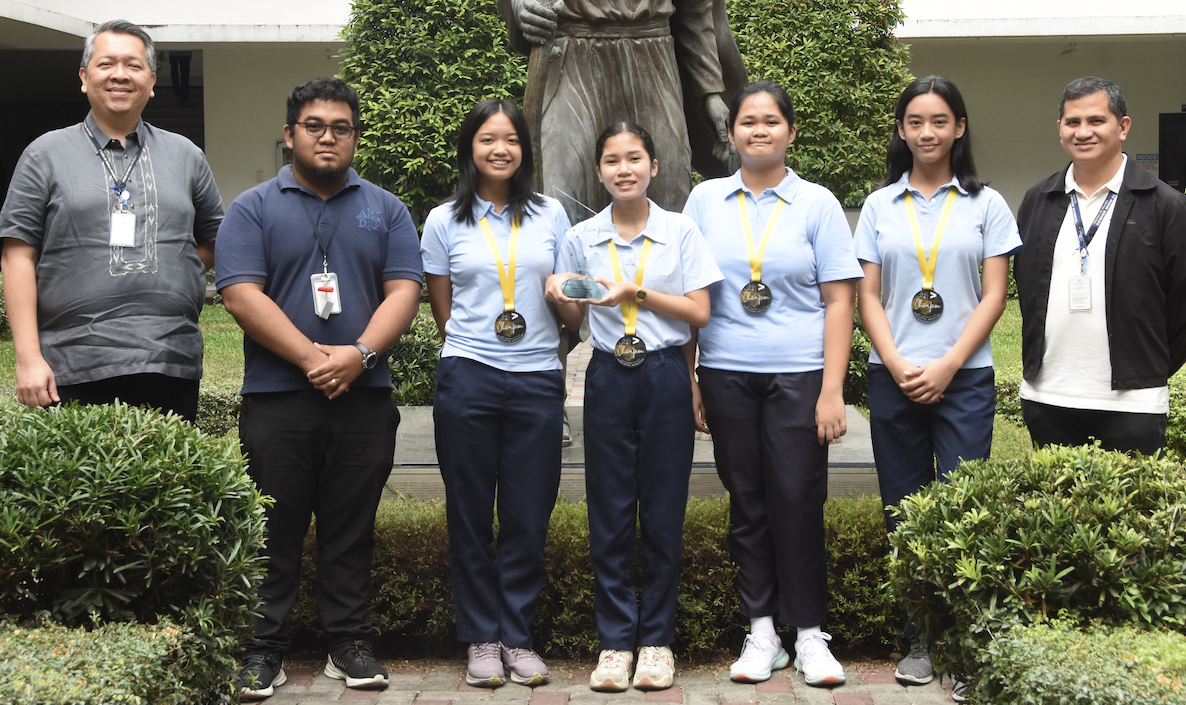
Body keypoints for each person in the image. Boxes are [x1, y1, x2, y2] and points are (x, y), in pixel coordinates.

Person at [215, 77, 422, 700]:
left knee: (350, 526)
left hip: (363, 396)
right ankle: (262, 649)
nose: (327, 136)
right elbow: (240, 293)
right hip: (278, 399)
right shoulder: (252, 207)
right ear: (290, 135)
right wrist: (313, 358)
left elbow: (405, 291)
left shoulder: (385, 208)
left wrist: (358, 356)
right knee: (272, 527)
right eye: (314, 126)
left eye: (340, 127)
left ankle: (349, 643)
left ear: (355, 137)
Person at [682, 81, 861, 688]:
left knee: (798, 501)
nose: (759, 131)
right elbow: (689, 299)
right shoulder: (704, 201)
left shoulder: (817, 204)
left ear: (790, 131)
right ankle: (761, 632)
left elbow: (840, 300)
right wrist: (693, 379)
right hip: (727, 370)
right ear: (730, 134)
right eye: (747, 122)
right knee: (748, 505)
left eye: (770, 121)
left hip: (798, 374)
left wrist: (831, 389)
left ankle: (810, 635)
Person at [854, 76, 1020, 695]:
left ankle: (964, 642)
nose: (928, 132)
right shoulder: (878, 206)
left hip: (966, 378)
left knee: (962, 509)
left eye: (940, 120)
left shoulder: (987, 204)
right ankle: (918, 640)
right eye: (916, 121)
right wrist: (896, 363)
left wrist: (949, 363)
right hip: (893, 375)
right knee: (905, 513)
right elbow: (868, 294)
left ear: (960, 128)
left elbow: (996, 294)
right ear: (901, 130)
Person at [545, 121, 722, 692]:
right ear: (599, 172)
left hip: (665, 372)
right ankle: (616, 642)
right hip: (607, 375)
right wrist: (560, 294)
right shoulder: (581, 237)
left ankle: (657, 644)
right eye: (613, 161)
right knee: (611, 510)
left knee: (664, 510)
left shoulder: (681, 230)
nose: (624, 169)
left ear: (654, 167)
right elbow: (575, 324)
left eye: (635, 158)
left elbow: (699, 312)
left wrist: (635, 293)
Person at [0, 19, 223, 422]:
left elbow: (215, 238)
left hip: (170, 358)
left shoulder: (186, 155)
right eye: (106, 64)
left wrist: (179, 269)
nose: (120, 74)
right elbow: (17, 255)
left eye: (133, 66)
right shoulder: (45, 154)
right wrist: (28, 358)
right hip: (72, 362)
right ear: (85, 77)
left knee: (166, 482)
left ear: (152, 81)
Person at [420, 98, 571, 688]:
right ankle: (482, 637)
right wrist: (478, 347)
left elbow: (565, 302)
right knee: (470, 513)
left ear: (524, 150)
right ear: (470, 149)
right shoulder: (442, 220)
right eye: (487, 139)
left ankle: (517, 635)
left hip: (536, 378)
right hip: (469, 375)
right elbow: (443, 307)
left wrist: (566, 307)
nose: (500, 148)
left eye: (510, 138)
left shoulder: (551, 214)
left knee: (528, 516)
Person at [1015, 77, 1186, 455]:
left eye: (1096, 121)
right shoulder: (1038, 200)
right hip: (1049, 397)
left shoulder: (1164, 205)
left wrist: (1146, 367)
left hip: (1133, 403)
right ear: (1059, 127)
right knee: (1054, 512)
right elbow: (1025, 286)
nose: (1083, 132)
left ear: (1122, 127)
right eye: (1072, 122)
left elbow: (1181, 305)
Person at [496, 0, 748, 216]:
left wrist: (710, 93)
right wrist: (521, 6)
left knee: (669, 194)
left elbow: (695, 13)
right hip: (571, 58)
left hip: (654, 59)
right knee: (563, 198)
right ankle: (568, 273)